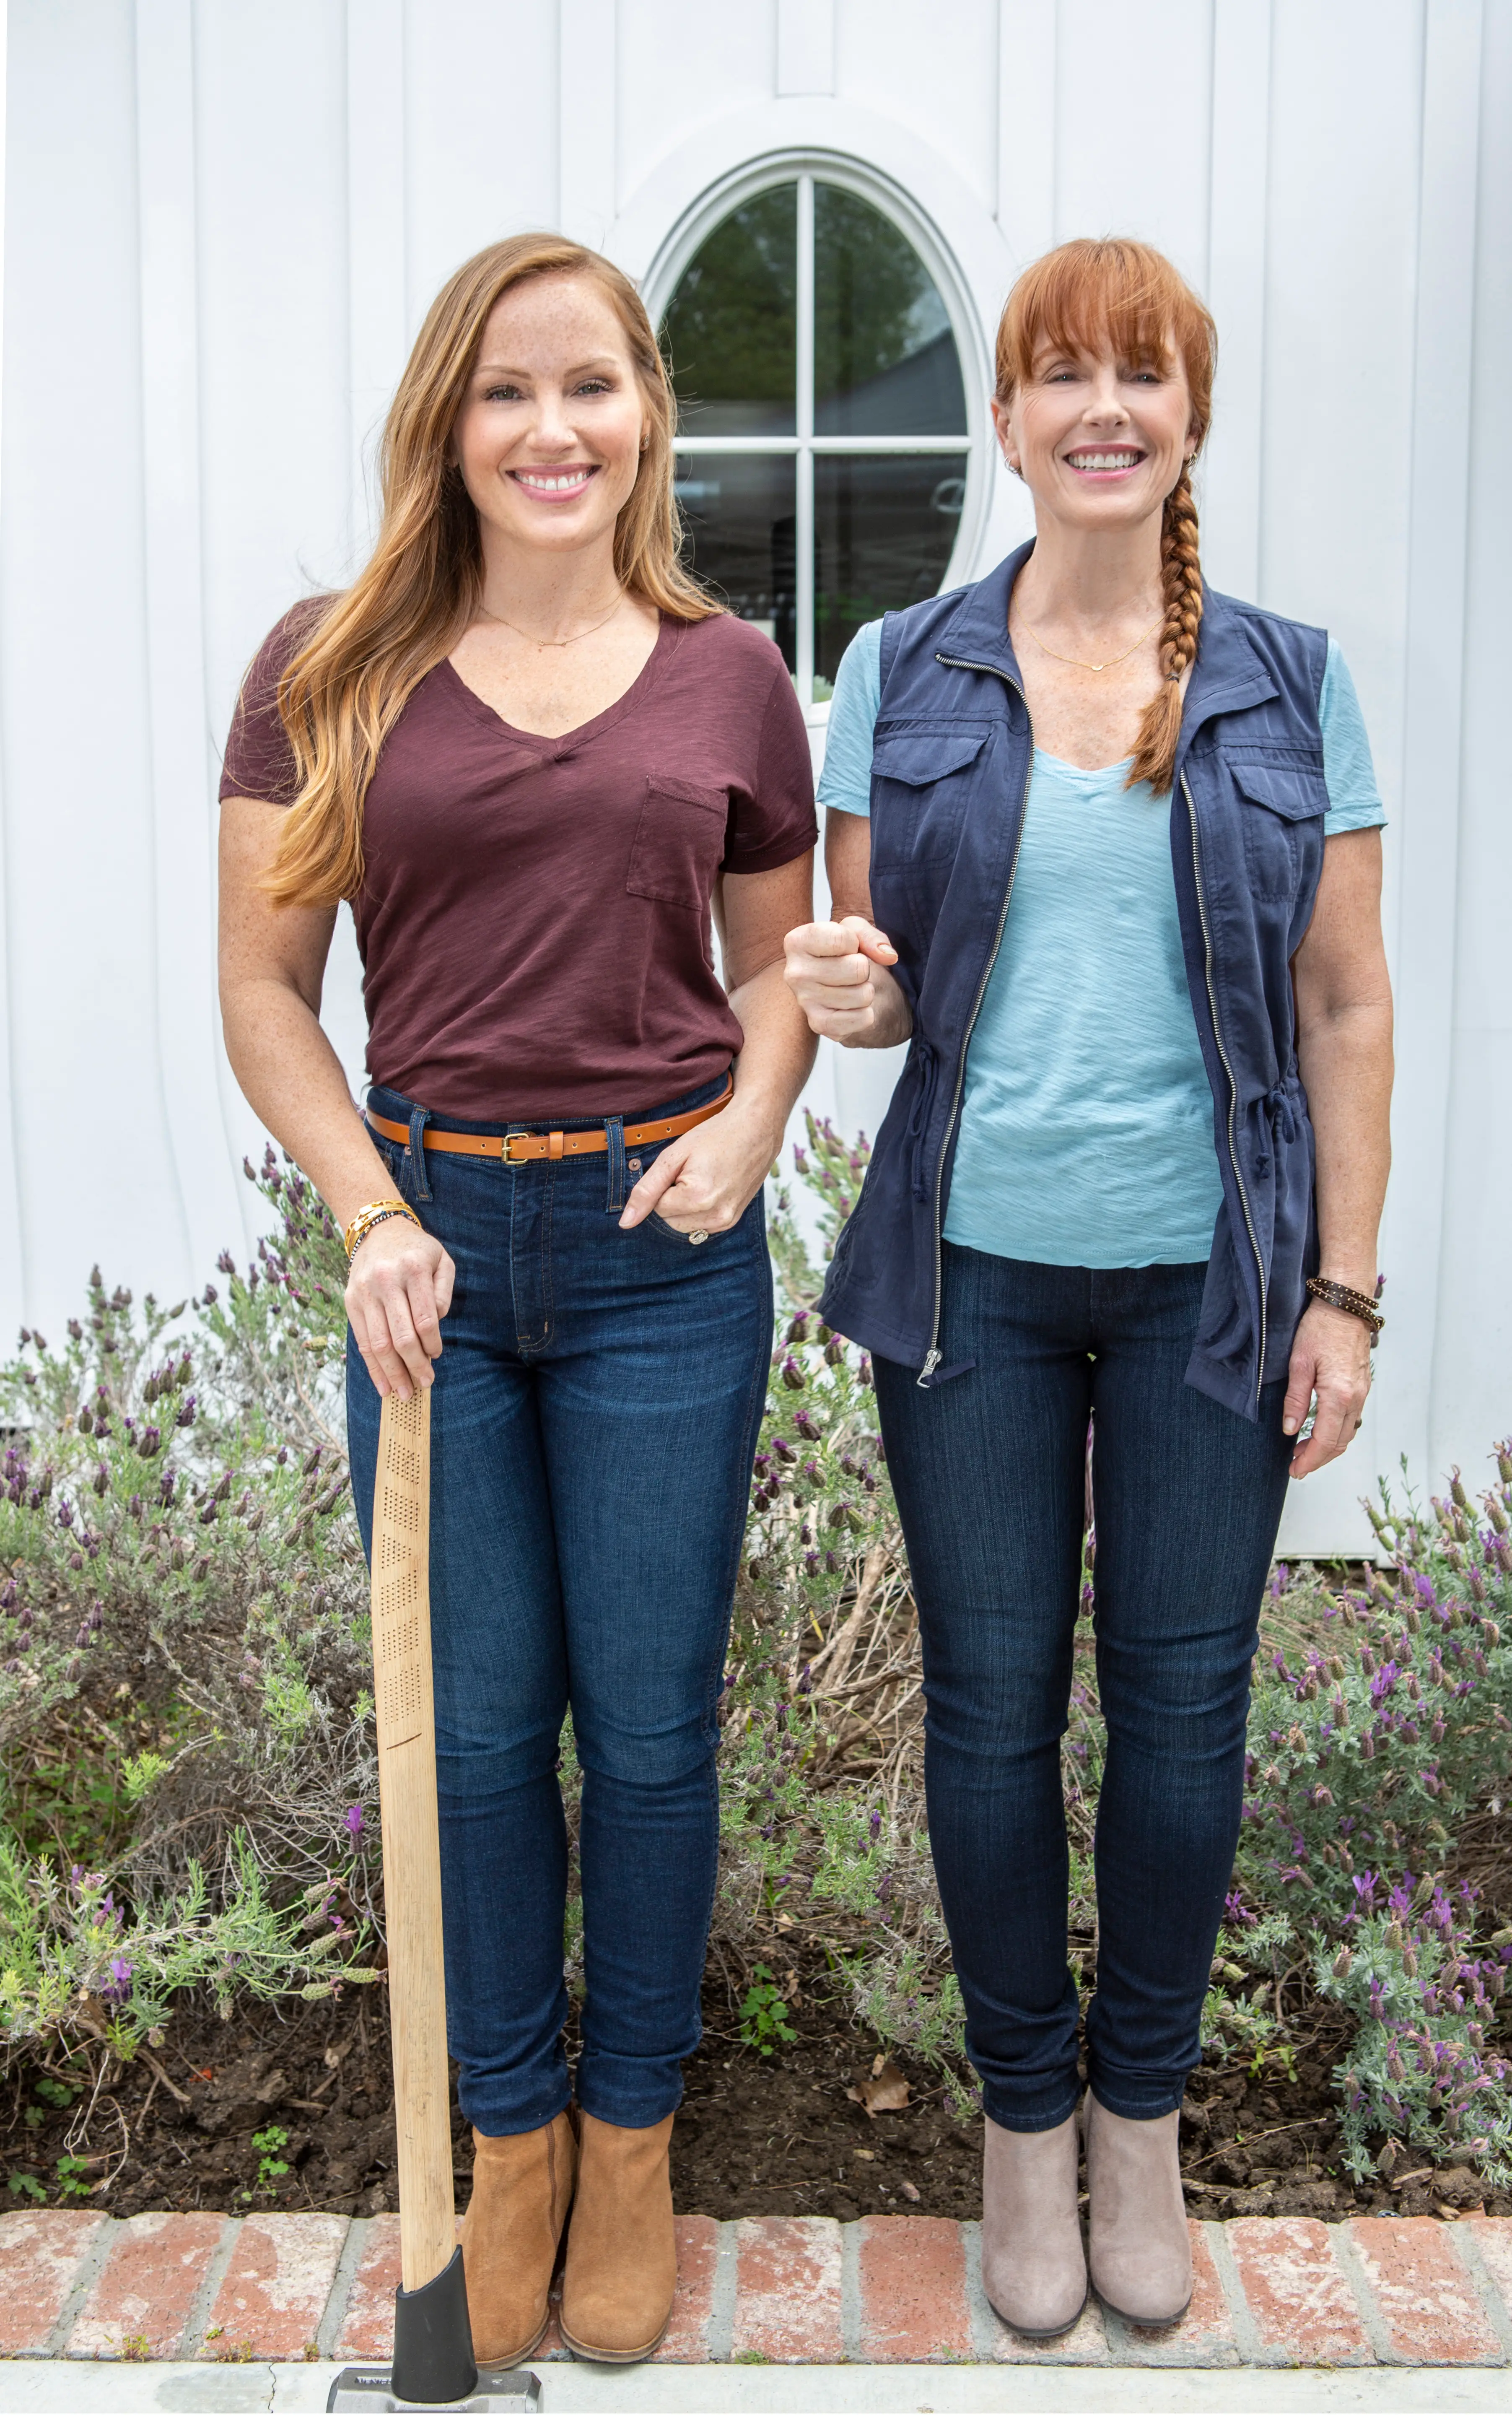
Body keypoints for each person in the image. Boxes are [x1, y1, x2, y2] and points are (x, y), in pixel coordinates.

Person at [217, 233, 817, 2367]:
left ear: (647, 411)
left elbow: (779, 983)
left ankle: (633, 2132)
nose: (552, 429)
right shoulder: (333, 662)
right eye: (506, 392)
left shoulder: (733, 673)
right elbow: (263, 995)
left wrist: (757, 1125)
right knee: (472, 1748)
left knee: (649, 1738)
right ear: (447, 426)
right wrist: (373, 1215)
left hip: (667, 1259)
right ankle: (512, 2143)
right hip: (437, 1262)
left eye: (591, 387)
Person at [783, 237, 1392, 2335]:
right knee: (986, 1718)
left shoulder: (1291, 681)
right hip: (974, 1288)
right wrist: (844, 996)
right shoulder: (902, 669)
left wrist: (1350, 1291)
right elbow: (875, 996)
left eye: (1143, 373)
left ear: (1189, 420)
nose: (1102, 406)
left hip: (1216, 1290)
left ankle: (1142, 2126)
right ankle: (1021, 2140)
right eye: (1063, 374)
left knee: (1185, 1719)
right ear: (1010, 421)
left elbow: (1345, 1006)